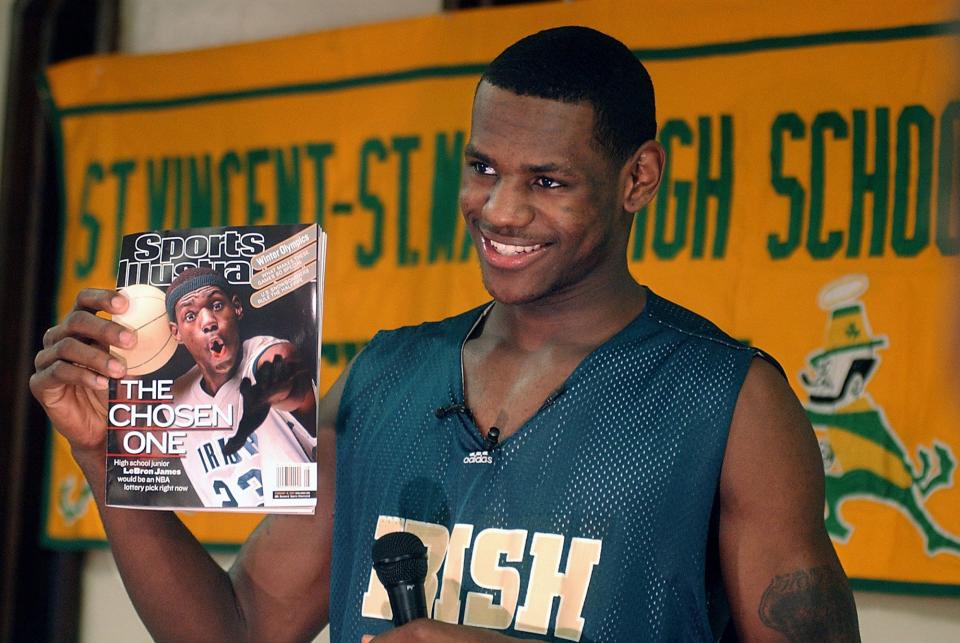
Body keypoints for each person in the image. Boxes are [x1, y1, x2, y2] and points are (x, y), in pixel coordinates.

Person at [30, 26, 860, 642]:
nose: (500, 210)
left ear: (637, 178)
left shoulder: (729, 399)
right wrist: (108, 461)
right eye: (482, 168)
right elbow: (241, 629)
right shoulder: (384, 376)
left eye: (547, 180)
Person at [155, 266, 316, 507]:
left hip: (299, 523)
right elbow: (136, 451)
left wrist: (273, 389)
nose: (208, 321)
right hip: (235, 536)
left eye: (217, 305)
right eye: (190, 315)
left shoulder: (263, 353)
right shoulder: (176, 398)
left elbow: (283, 364)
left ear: (237, 308)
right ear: (176, 333)